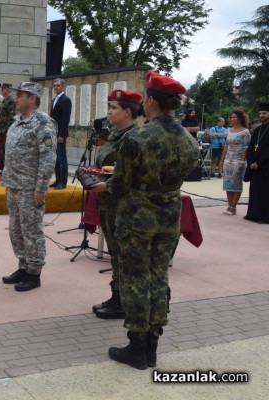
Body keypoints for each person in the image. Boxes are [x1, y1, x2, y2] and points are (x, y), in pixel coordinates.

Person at [90, 71, 199, 369]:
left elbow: (121, 183)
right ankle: (152, 345)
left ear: (150, 101)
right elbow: (188, 171)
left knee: (135, 278)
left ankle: (137, 347)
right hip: (169, 214)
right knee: (159, 277)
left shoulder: (138, 137)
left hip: (137, 217)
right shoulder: (188, 140)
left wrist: (103, 186)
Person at [1, 82, 57, 292]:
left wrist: (41, 187)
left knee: (31, 230)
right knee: (16, 230)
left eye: (21, 96)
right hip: (13, 185)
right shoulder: (16, 122)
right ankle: (23, 266)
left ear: (32, 98)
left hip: (30, 187)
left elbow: (48, 156)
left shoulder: (43, 123)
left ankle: (34, 273)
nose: (17, 99)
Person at [91, 89, 142, 320]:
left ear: (128, 111)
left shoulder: (135, 137)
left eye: (114, 108)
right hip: (108, 202)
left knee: (122, 254)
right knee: (114, 253)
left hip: (123, 204)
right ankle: (116, 295)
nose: (109, 112)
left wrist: (107, 183)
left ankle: (123, 301)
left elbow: (134, 176)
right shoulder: (114, 135)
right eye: (109, 107)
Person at [219, 109, 250, 216]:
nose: (233, 119)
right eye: (231, 117)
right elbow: (226, 146)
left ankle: (233, 206)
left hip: (238, 160)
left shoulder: (245, 132)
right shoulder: (229, 130)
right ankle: (229, 205)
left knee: (236, 183)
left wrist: (242, 160)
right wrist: (222, 160)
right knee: (227, 183)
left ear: (240, 118)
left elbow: (246, 147)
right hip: (228, 160)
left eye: (235, 117)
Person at [244, 102, 269, 224]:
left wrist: (260, 162)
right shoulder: (258, 130)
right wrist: (252, 161)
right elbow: (251, 147)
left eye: (264, 113)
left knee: (265, 192)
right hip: (255, 166)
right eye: (260, 113)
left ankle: (265, 217)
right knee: (255, 190)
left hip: (266, 167)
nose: (262, 115)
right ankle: (253, 214)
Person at [49, 78, 72, 190]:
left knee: (62, 158)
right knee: (55, 158)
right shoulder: (54, 100)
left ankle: (63, 181)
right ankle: (57, 179)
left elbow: (65, 119)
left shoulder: (65, 100)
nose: (55, 87)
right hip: (53, 133)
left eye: (58, 85)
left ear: (63, 87)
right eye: (54, 86)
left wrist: (61, 135)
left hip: (60, 134)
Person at [0, 83, 16, 174]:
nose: (1, 90)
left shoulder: (10, 100)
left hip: (6, 129)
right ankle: (5, 168)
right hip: (2, 129)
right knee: (3, 149)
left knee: (7, 149)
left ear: (8, 90)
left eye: (3, 88)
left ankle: (8, 169)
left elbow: (12, 116)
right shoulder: (4, 100)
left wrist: (8, 129)